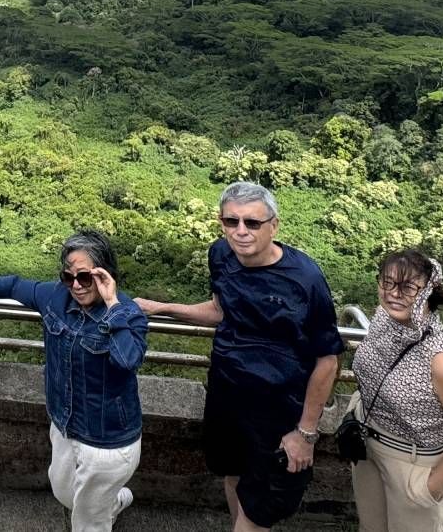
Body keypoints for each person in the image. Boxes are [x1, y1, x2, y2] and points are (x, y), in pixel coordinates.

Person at [135, 181, 343, 532]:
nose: (241, 231)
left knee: (259, 510)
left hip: (278, 412)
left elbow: (328, 361)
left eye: (252, 223)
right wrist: (163, 308)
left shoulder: (305, 279)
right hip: (227, 396)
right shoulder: (220, 255)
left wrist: (305, 433)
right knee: (232, 476)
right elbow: (221, 309)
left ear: (274, 225)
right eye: (231, 222)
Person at [0, 229, 147, 532]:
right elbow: (15, 286)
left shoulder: (128, 313)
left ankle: (101, 509)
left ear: (106, 274)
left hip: (107, 439)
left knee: (87, 522)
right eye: (69, 277)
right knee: (63, 489)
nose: (76, 286)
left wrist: (112, 306)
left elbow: (127, 359)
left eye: (86, 277)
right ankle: (112, 502)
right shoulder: (56, 297)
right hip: (66, 424)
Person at [348, 250, 443, 532]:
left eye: (408, 287)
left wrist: (428, 490)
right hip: (369, 447)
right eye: (387, 282)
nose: (394, 294)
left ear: (427, 292)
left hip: (413, 465)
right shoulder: (383, 322)